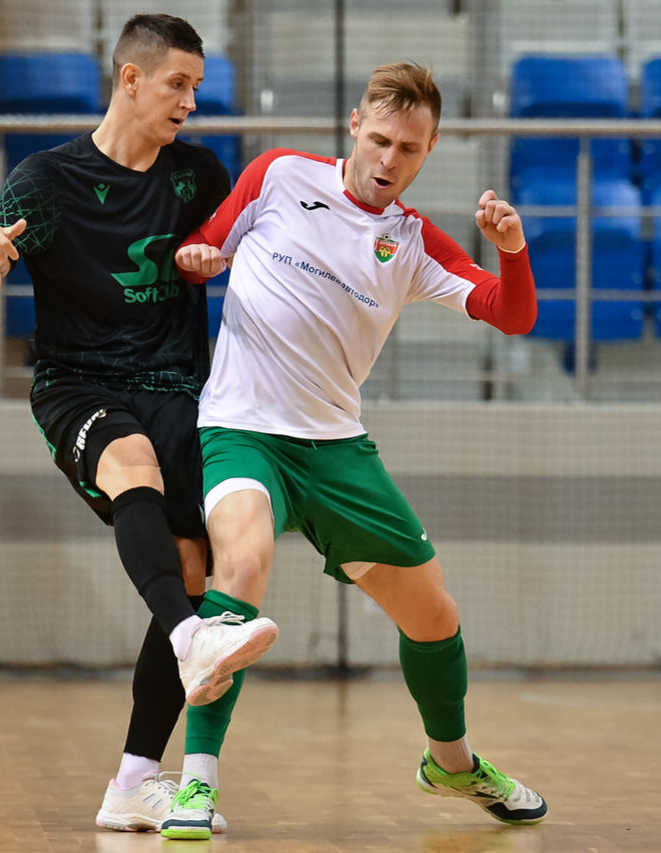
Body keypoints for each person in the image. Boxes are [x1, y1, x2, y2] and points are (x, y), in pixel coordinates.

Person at [168, 63, 548, 836]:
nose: (388, 160)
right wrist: (201, 259)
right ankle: (195, 785)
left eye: (409, 149)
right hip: (242, 427)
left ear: (429, 149)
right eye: (379, 139)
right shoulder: (276, 176)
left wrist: (511, 247)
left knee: (434, 617)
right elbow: (200, 247)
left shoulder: (412, 240)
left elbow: (511, 316)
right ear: (353, 126)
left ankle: (451, 762)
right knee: (239, 571)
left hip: (338, 450)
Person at [0, 14, 278, 836]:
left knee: (194, 565)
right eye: (177, 83)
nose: (189, 101)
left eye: (197, 87)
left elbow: (254, 240)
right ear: (129, 79)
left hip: (181, 386)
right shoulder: (46, 178)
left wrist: (222, 255)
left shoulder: (198, 174)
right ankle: (188, 638)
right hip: (79, 384)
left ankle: (134, 780)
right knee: (130, 465)